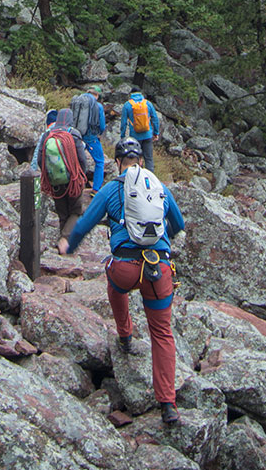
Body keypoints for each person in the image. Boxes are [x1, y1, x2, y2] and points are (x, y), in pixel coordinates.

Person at [58, 137, 184, 425]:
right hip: (159, 269)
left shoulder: (113, 188)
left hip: (125, 267)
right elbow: (179, 224)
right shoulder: (158, 187)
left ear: (117, 163)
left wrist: (69, 245)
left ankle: (125, 335)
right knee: (162, 333)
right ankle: (168, 404)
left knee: (115, 287)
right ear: (141, 161)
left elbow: (87, 221)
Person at [35, 107, 92, 242]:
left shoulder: (47, 134)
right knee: (76, 211)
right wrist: (80, 176)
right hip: (72, 179)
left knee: (62, 212)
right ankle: (65, 239)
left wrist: (49, 175)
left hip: (54, 181)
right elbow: (82, 159)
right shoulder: (73, 133)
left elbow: (40, 159)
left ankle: (63, 237)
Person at [70, 82, 106, 189]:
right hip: (91, 138)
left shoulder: (78, 101)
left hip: (76, 136)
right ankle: (95, 190)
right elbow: (102, 126)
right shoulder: (98, 105)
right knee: (99, 162)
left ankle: (75, 186)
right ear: (97, 95)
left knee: (76, 161)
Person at [120, 88, 160, 170]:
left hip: (135, 137)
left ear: (131, 94)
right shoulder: (148, 103)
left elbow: (123, 123)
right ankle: (150, 178)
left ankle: (137, 178)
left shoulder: (127, 105)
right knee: (148, 158)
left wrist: (122, 136)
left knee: (136, 158)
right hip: (147, 135)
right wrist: (156, 133)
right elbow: (155, 119)